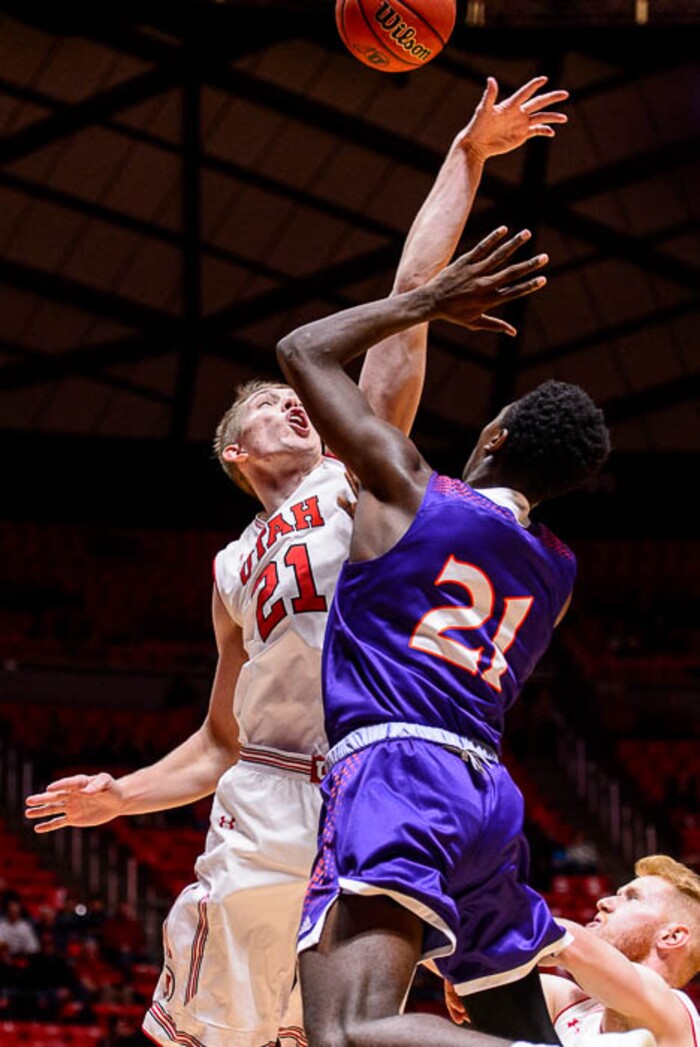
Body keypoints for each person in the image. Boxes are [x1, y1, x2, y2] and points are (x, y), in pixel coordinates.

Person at [25, 76, 571, 1047]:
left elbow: (403, 316)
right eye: (257, 412)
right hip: (267, 800)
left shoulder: (356, 485)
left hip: (371, 787)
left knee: (337, 1034)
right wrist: (124, 795)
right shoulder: (231, 567)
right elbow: (219, 740)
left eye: (291, 403)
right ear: (235, 456)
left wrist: (465, 158)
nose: (286, 406)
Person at [276, 232, 613, 1046]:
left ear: (494, 436)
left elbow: (300, 349)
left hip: (396, 770)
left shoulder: (409, 485)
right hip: (486, 793)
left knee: (350, 1030)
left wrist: (425, 302)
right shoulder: (558, 572)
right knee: (513, 1025)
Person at [445, 854, 700, 1046]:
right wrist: (466, 967)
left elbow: (569, 943)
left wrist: (475, 949)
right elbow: (440, 950)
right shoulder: (568, 1003)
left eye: (632, 897)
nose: (604, 902)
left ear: (672, 936)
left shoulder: (671, 1011)